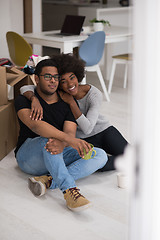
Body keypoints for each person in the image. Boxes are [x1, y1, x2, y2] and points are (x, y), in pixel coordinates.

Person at [14, 58, 108, 212]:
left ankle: (48, 180)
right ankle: (70, 191)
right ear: (36, 79)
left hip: (56, 151)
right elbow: (36, 125)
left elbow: (70, 131)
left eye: (56, 77)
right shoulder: (24, 100)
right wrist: (68, 140)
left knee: (100, 155)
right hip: (28, 156)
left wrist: (65, 142)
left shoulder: (66, 101)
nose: (53, 81)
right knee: (50, 140)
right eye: (48, 77)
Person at [20, 53, 128, 172]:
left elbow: (88, 128)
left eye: (72, 78)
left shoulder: (93, 94)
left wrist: (72, 103)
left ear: (78, 76)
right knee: (93, 160)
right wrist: (34, 99)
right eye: (63, 81)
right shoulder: (58, 93)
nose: (70, 84)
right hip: (79, 139)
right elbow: (26, 88)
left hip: (102, 130)